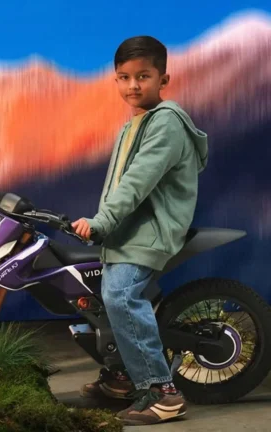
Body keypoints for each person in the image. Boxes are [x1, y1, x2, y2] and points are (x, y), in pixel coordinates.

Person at [71, 36, 208, 425]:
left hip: (151, 230)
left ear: (163, 79)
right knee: (103, 296)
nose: (133, 85)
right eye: (124, 77)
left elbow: (136, 183)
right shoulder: (135, 123)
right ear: (115, 79)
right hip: (130, 230)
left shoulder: (165, 122)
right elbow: (120, 185)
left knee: (119, 294)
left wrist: (102, 222)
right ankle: (125, 377)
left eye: (143, 76)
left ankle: (163, 392)